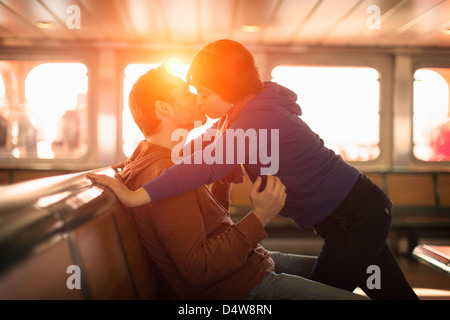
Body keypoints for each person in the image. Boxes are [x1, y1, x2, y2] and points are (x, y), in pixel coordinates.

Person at [89, 40, 418, 300]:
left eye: (202, 93)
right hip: (353, 215)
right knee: (387, 288)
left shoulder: (254, 119)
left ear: (227, 89)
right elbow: (200, 157)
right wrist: (137, 169)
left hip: (357, 215)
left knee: (339, 284)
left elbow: (201, 166)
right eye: (189, 93)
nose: (198, 100)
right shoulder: (230, 121)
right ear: (163, 108)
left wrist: (136, 196)